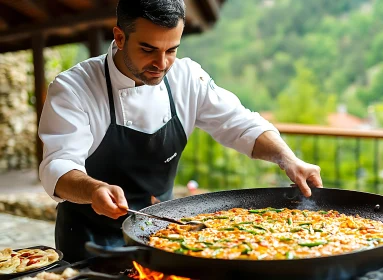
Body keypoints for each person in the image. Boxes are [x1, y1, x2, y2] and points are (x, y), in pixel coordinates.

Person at [38, 0, 322, 262]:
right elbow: (58, 167)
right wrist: (95, 189)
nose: (161, 65)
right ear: (120, 37)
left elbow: (241, 124)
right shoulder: (74, 88)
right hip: (90, 243)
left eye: (171, 50)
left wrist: (288, 159)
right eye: (148, 49)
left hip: (160, 235)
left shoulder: (187, 78)